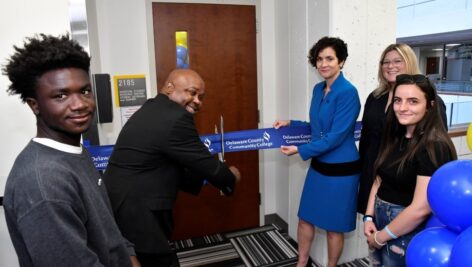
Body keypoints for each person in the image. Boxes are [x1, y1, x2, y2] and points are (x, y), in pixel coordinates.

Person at [2, 34, 140, 267]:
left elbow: (109, 232)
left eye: (84, 91)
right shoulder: (43, 180)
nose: (79, 104)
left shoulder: (74, 151)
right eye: (61, 95)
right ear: (34, 105)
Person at [103, 69, 241, 267]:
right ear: (169, 87)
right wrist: (229, 177)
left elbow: (170, 162)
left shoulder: (152, 107)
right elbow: (204, 162)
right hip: (137, 210)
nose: (197, 101)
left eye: (201, 97)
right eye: (191, 93)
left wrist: (206, 178)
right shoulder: (176, 118)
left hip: (121, 201)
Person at [273, 37, 361, 267]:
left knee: (334, 227)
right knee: (305, 219)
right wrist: (290, 123)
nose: (323, 64)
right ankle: (302, 263)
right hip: (320, 167)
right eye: (319, 59)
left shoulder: (348, 92)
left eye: (330, 58)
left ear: (341, 61)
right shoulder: (318, 88)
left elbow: (335, 136)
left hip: (342, 170)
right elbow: (319, 127)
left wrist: (300, 149)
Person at [363, 74, 457, 266]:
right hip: (380, 221)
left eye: (413, 101)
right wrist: (368, 216)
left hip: (404, 228)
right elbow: (379, 179)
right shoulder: (395, 135)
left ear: (430, 106)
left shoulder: (433, 146)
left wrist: (381, 237)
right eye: (398, 100)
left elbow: (420, 209)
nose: (403, 108)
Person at [357, 43, 448, 215]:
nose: (391, 66)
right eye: (386, 62)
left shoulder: (430, 102)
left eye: (397, 61)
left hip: (405, 186)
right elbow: (366, 138)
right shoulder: (375, 97)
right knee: (373, 230)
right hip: (373, 178)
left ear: (409, 63)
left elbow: (433, 148)